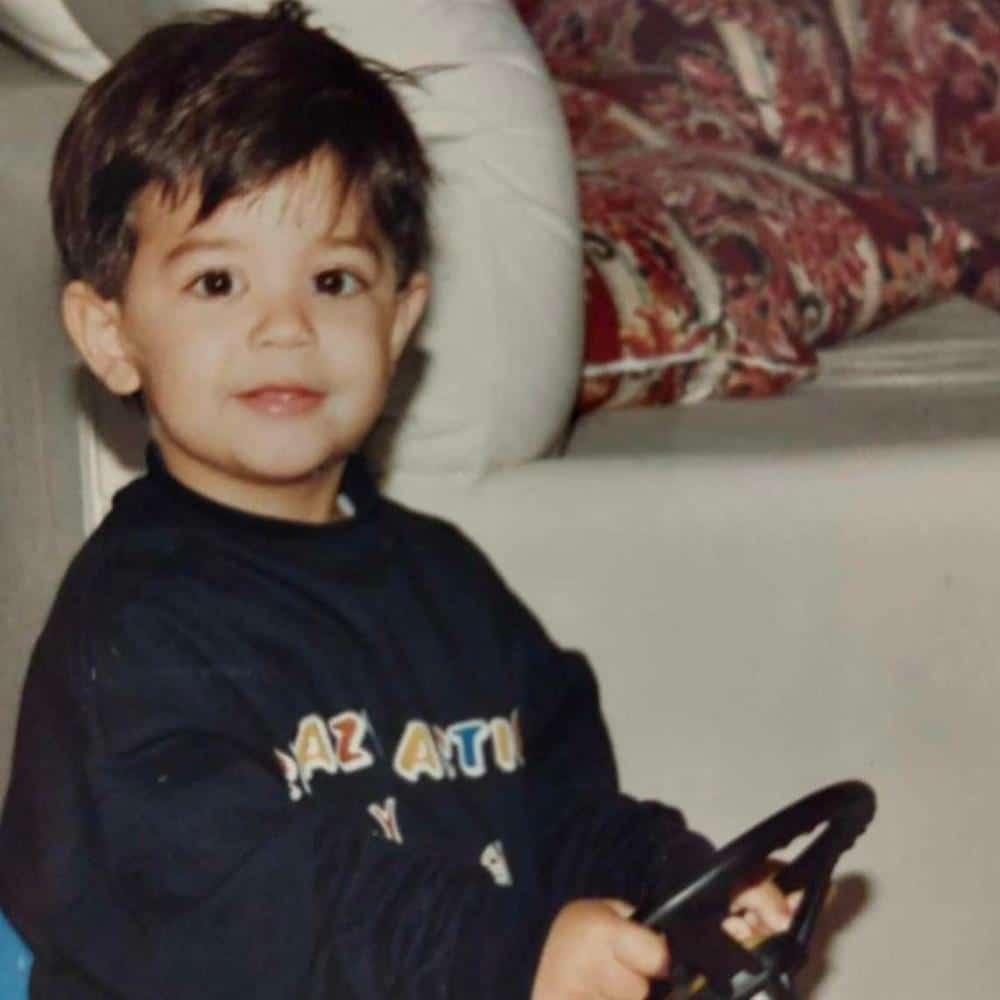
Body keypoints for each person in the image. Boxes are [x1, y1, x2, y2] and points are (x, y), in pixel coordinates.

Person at [0, 3, 795, 997]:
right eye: (217, 283)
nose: (286, 326)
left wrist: (672, 882)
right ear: (111, 336)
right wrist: (512, 955)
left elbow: (562, 814)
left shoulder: (451, 585)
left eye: (334, 280)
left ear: (399, 318)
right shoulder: (133, 633)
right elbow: (265, 908)